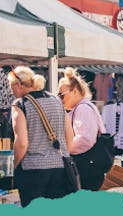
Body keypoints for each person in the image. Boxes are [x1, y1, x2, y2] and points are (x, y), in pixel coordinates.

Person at [9, 66, 77, 207]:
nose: (12, 91)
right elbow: (69, 135)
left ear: (18, 85)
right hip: (60, 168)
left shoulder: (20, 105)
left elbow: (22, 143)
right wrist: (62, 153)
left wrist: (14, 165)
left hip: (33, 170)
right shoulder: (56, 100)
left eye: (11, 87)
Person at [58, 67, 108, 191]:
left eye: (62, 95)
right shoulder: (82, 107)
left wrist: (65, 149)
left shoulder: (83, 109)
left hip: (86, 167)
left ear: (75, 91)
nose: (59, 98)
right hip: (90, 167)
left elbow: (85, 139)